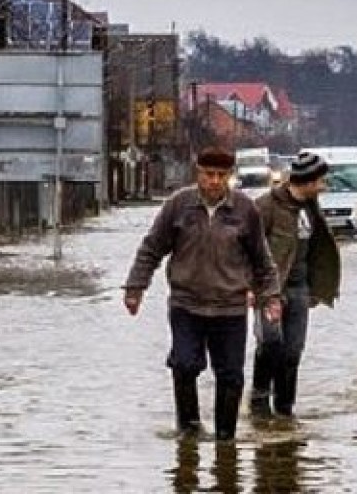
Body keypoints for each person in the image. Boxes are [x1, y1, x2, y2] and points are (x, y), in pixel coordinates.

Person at [123, 146, 282, 441]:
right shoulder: (178, 205)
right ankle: (189, 429)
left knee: (230, 375)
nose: (214, 181)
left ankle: (226, 440)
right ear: (198, 173)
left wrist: (272, 296)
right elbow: (152, 248)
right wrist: (136, 287)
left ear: (230, 176)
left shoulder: (245, 210)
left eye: (222, 175)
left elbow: (262, 259)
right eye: (209, 174)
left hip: (230, 308)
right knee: (183, 364)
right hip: (187, 305)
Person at [250, 151, 341, 418]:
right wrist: (252, 287)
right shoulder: (266, 206)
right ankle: (259, 400)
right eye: (321, 181)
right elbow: (248, 247)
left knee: (292, 350)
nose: (324, 187)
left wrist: (320, 286)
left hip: (300, 288)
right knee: (270, 341)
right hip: (270, 290)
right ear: (309, 181)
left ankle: (285, 406)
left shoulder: (312, 208)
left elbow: (319, 248)